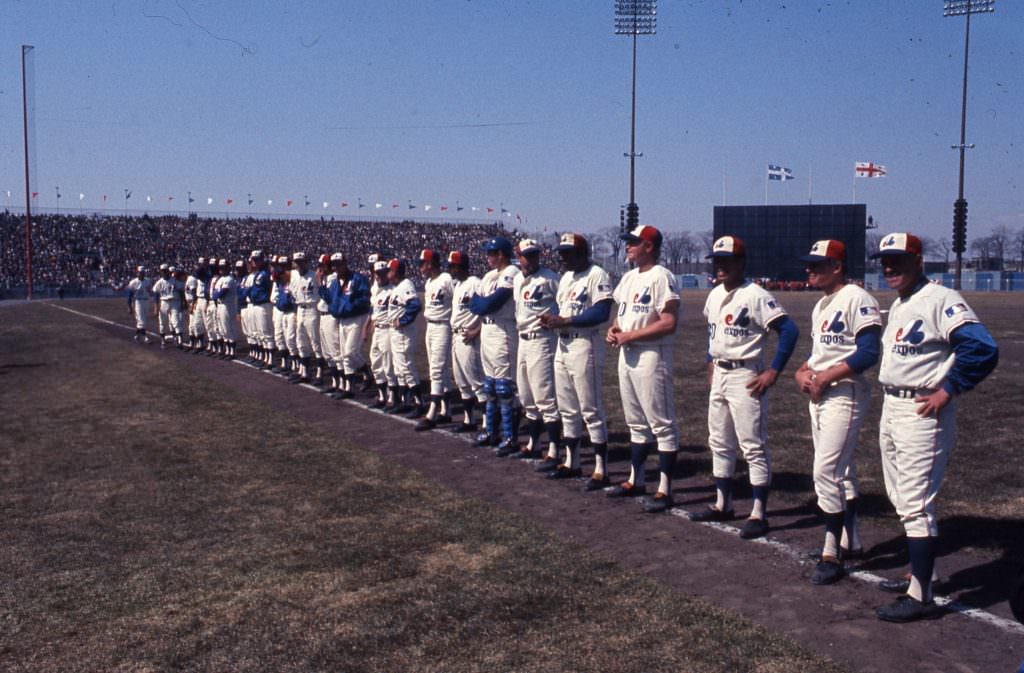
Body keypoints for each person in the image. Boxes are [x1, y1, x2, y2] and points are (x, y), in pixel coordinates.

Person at [871, 233, 997, 622]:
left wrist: (950, 389)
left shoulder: (941, 299)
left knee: (915, 501)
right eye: (884, 261)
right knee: (900, 495)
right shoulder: (900, 303)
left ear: (919, 260)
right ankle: (918, 575)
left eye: (898, 260)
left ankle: (921, 596)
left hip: (923, 411)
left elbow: (982, 347)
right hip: (894, 406)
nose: (890, 268)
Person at [696, 235, 799, 538]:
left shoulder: (756, 295)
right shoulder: (714, 294)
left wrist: (773, 372)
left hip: (746, 374)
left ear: (741, 262)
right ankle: (722, 504)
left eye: (727, 261)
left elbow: (789, 331)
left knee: (752, 444)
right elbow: (712, 334)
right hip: (721, 372)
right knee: (719, 441)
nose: (721, 267)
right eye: (717, 261)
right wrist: (709, 361)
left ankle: (759, 512)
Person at [792, 240, 881, 585]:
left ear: (837, 267)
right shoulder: (822, 304)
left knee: (826, 471)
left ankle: (832, 551)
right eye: (809, 264)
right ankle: (852, 540)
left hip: (846, 392)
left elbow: (869, 352)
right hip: (823, 392)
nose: (809, 270)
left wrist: (826, 377)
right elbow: (819, 355)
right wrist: (802, 373)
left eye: (817, 264)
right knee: (841, 471)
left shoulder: (857, 298)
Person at [606, 224, 681, 513]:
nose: (628, 246)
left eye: (633, 242)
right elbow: (619, 316)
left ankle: (665, 488)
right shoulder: (627, 278)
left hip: (652, 354)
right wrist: (614, 330)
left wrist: (629, 335)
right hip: (627, 354)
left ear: (649, 246)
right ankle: (636, 480)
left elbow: (668, 322)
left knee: (661, 423)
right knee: (635, 423)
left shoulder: (662, 276)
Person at [540, 232, 614, 489]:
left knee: (590, 409)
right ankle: (571, 463)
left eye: (568, 253)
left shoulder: (597, 274)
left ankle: (601, 469)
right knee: (568, 408)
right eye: (561, 253)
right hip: (563, 344)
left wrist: (567, 320)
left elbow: (602, 311)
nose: (562, 257)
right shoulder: (566, 278)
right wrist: (553, 319)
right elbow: (563, 311)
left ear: (582, 253)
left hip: (585, 344)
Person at [511, 238, 562, 463]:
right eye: (526, 255)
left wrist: (556, 319)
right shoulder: (516, 279)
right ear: (518, 257)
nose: (530, 259)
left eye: (533, 255)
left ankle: (554, 451)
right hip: (523, 340)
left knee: (545, 395)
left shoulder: (549, 278)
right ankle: (534, 443)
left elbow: (564, 304)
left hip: (542, 340)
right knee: (526, 395)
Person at [470, 236, 521, 452]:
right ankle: (491, 431)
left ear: (501, 254)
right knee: (489, 385)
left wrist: (482, 304)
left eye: (491, 253)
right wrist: (482, 305)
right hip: (487, 330)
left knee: (504, 387)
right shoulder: (490, 275)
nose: (487, 257)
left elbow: (491, 302)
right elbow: (474, 303)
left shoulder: (512, 272)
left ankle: (510, 436)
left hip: (503, 331)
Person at [447, 250, 487, 433]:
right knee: (461, 381)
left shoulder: (475, 283)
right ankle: (469, 419)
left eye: (452, 266)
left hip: (468, 336)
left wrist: (477, 331)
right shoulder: (458, 285)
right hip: (456, 336)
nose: (450, 269)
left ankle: (487, 423)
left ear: (460, 266)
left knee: (476, 381)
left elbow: (487, 310)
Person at [416, 249, 455, 431]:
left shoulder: (446, 279)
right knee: (438, 368)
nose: (420, 267)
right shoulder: (429, 282)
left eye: (422, 263)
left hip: (443, 325)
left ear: (431, 263)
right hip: (431, 325)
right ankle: (445, 410)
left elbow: (459, 299)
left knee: (437, 369)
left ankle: (432, 412)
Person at [329, 253, 372, 398]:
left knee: (350, 352)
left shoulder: (357, 278)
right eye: (334, 265)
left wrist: (349, 306)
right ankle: (348, 388)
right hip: (343, 320)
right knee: (344, 355)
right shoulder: (335, 282)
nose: (336, 267)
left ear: (345, 263)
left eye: (339, 264)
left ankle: (366, 371)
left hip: (356, 318)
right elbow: (332, 300)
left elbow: (365, 298)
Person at [387, 258, 424, 416]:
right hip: (396, 332)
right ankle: (405, 402)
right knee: (399, 368)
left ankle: (419, 403)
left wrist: (402, 321)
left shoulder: (406, 285)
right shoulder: (397, 287)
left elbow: (415, 305)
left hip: (403, 332)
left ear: (395, 272)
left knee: (407, 368)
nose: (388, 273)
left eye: (390, 270)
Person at [366, 260, 396, 409]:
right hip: (377, 329)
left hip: (387, 329)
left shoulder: (393, 290)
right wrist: (369, 325)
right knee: (375, 363)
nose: (379, 277)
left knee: (388, 364)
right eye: (377, 274)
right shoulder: (376, 290)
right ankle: (382, 396)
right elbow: (373, 310)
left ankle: (392, 396)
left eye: (382, 273)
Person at [289, 252, 322, 383]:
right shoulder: (294, 276)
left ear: (306, 262)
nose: (299, 264)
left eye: (301, 262)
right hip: (300, 309)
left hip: (312, 308)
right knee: (301, 342)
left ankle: (319, 374)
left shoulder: (313, 275)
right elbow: (292, 293)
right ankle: (304, 372)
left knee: (315, 341)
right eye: (297, 262)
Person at [248, 251, 274, 369]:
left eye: (257, 259)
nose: (254, 261)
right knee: (261, 333)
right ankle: (265, 358)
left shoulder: (266, 273)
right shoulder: (258, 273)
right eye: (253, 259)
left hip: (264, 304)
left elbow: (269, 288)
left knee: (267, 333)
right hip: (256, 304)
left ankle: (271, 360)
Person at [211, 258, 240, 359]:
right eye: (221, 267)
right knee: (223, 329)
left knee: (228, 328)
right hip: (220, 305)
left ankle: (232, 352)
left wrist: (215, 295)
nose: (222, 269)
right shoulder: (220, 279)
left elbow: (222, 292)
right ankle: (227, 351)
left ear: (228, 268)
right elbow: (215, 292)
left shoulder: (229, 279)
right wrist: (215, 295)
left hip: (227, 305)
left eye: (224, 267)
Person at [184, 257, 208, 353]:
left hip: (196, 301)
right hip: (193, 301)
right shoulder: (193, 277)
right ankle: (194, 344)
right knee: (194, 325)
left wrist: (192, 304)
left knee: (199, 324)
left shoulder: (195, 278)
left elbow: (194, 292)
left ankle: (199, 344)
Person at [152, 263, 178, 349]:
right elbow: (156, 295)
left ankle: (176, 338)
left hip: (173, 301)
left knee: (174, 321)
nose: (163, 273)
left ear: (168, 271)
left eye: (165, 271)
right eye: (162, 271)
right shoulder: (159, 282)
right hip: (164, 302)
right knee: (162, 322)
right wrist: (156, 307)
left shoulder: (174, 280)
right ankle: (163, 340)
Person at [127, 265, 153, 343]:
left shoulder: (148, 281)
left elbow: (150, 291)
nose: (141, 274)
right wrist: (129, 306)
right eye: (140, 272)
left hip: (146, 301)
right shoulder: (133, 282)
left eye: (143, 272)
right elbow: (130, 295)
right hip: (138, 301)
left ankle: (137, 335)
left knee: (144, 319)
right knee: (141, 319)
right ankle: (145, 337)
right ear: (137, 273)